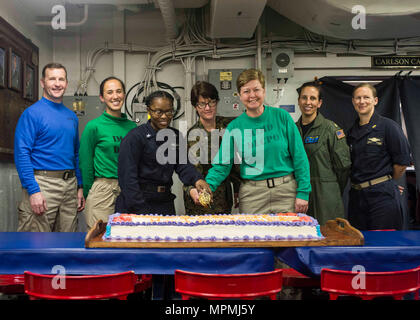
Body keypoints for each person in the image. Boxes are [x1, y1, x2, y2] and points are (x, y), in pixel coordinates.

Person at [202, 68, 311, 214]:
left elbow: (300, 157)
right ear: (240, 95)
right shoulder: (235, 127)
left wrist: (303, 192)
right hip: (252, 196)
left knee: (288, 236)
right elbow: (222, 165)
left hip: (286, 192)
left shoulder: (282, 117)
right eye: (246, 91)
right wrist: (207, 188)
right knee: (253, 237)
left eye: (256, 90)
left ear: (264, 91)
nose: (252, 95)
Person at [115, 90, 212, 215]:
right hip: (138, 203)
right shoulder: (135, 137)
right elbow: (128, 179)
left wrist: (197, 180)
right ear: (149, 110)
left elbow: (183, 166)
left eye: (169, 111)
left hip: (164, 202)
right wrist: (141, 210)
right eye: (158, 111)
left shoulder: (175, 136)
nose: (164, 116)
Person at [14, 62, 85, 232]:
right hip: (43, 185)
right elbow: (22, 153)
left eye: (61, 79)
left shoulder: (71, 116)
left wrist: (79, 187)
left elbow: (76, 154)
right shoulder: (32, 113)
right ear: (42, 82)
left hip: (70, 186)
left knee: (68, 243)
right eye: (52, 79)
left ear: (66, 83)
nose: (57, 83)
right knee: (36, 244)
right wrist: (33, 191)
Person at [347, 83, 411, 230]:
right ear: (353, 101)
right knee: (360, 241)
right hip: (357, 197)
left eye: (366, 97)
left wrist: (387, 182)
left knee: (383, 242)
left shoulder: (389, 127)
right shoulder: (351, 132)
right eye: (358, 98)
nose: (362, 101)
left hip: (381, 197)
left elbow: (401, 163)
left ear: (375, 100)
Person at [79, 77, 137, 229]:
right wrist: (88, 193)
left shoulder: (133, 128)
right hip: (103, 189)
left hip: (129, 189)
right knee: (101, 241)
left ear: (124, 94)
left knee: (128, 241)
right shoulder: (94, 126)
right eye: (109, 92)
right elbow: (85, 163)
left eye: (119, 91)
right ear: (102, 97)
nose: (115, 96)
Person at [295, 82, 351, 225]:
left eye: (313, 98)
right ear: (299, 101)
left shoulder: (331, 129)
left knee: (329, 235)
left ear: (319, 103)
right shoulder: (293, 130)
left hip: (326, 195)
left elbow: (343, 167)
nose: (308, 102)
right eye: (304, 98)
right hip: (300, 194)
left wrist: (329, 186)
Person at [184, 81, 240, 215]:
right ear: (195, 106)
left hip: (224, 198)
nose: (207, 108)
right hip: (199, 198)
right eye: (202, 104)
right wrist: (191, 190)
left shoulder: (228, 126)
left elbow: (235, 161)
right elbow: (188, 171)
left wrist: (238, 188)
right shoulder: (193, 136)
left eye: (211, 102)